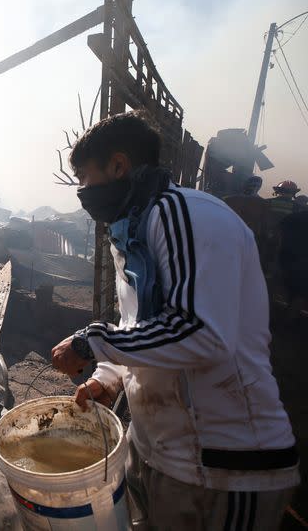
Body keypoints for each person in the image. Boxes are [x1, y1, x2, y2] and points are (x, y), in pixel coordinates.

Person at [50, 111, 299, 529]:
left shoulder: (182, 213)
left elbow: (198, 332)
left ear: (118, 166)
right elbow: (140, 324)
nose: (82, 192)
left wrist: (88, 342)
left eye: (85, 179)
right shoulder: (131, 233)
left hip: (226, 468)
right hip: (160, 454)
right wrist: (108, 375)